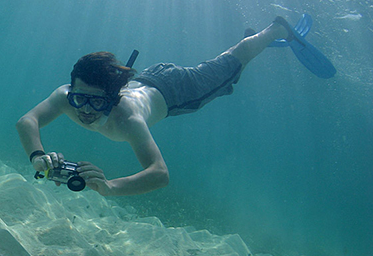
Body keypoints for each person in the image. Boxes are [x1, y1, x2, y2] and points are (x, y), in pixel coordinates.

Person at [16, 17, 296, 197]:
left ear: (112, 98)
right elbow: (27, 121)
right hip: (151, 79)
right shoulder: (64, 96)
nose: (85, 110)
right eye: (80, 98)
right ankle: (243, 52)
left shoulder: (128, 120)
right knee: (224, 75)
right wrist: (37, 157)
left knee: (226, 73)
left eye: (97, 102)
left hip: (177, 91)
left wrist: (110, 187)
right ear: (72, 89)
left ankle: (276, 29)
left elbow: (160, 173)